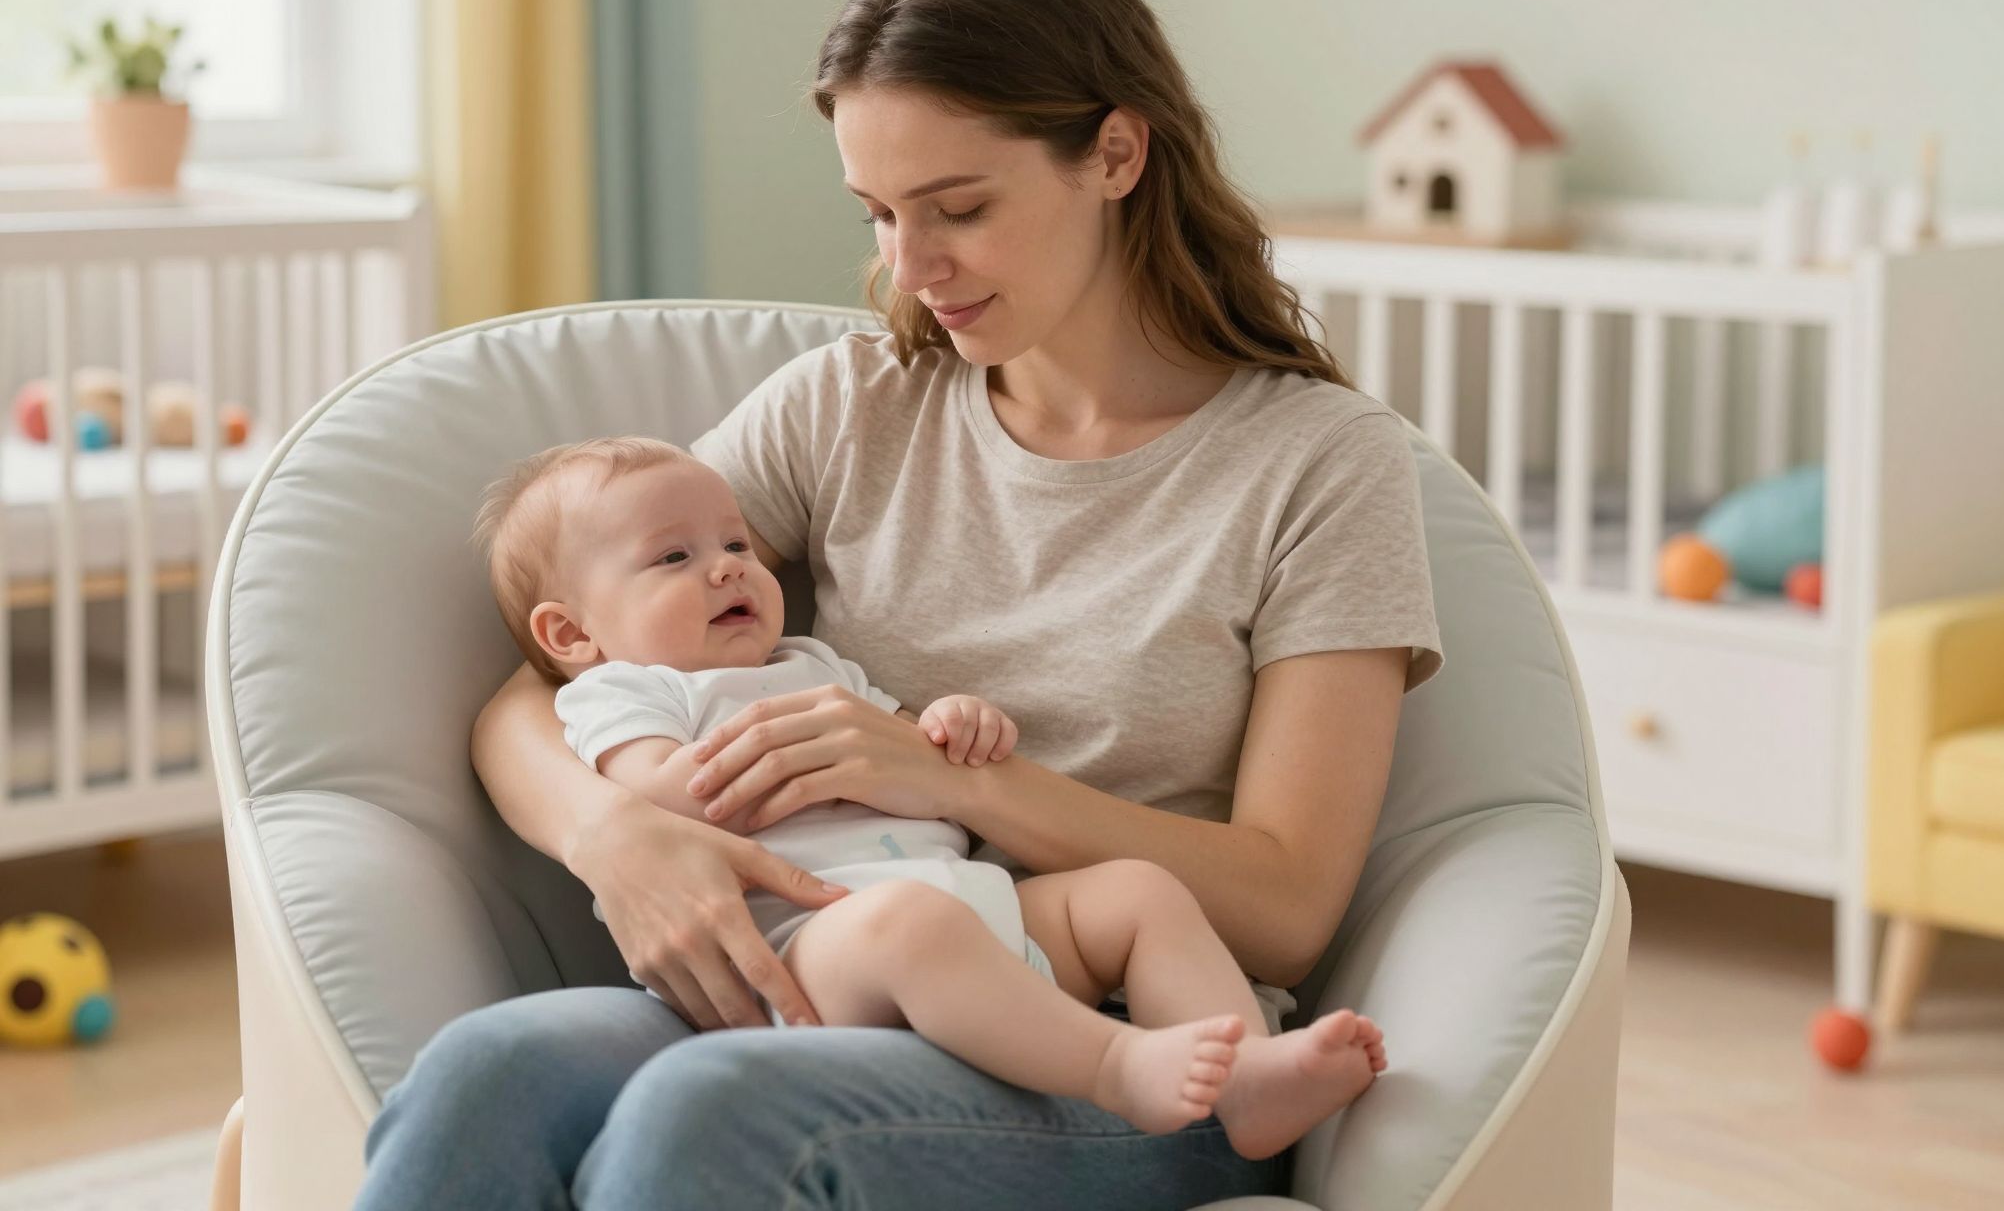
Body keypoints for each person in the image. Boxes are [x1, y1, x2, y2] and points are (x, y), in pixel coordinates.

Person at [357, 0, 1441, 1210]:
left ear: (1115, 151)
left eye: (959, 209)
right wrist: (615, 839)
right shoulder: (854, 404)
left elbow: (1287, 903)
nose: (910, 270)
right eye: (879, 214)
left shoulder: (1321, 465)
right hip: (830, 973)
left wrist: (953, 781)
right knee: (490, 1072)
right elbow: (544, 674)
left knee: (711, 1116)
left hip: (1130, 1048)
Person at [472, 435, 1390, 1154]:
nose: (728, 568)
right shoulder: (630, 694)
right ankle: (1117, 1065)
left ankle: (1249, 1077)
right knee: (905, 925)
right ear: (573, 634)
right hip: (813, 954)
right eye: (673, 558)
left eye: (737, 544)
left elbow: (916, 758)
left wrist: (953, 732)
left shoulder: (813, 666)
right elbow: (661, 804)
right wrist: (631, 822)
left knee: (1138, 891)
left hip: (983, 919)